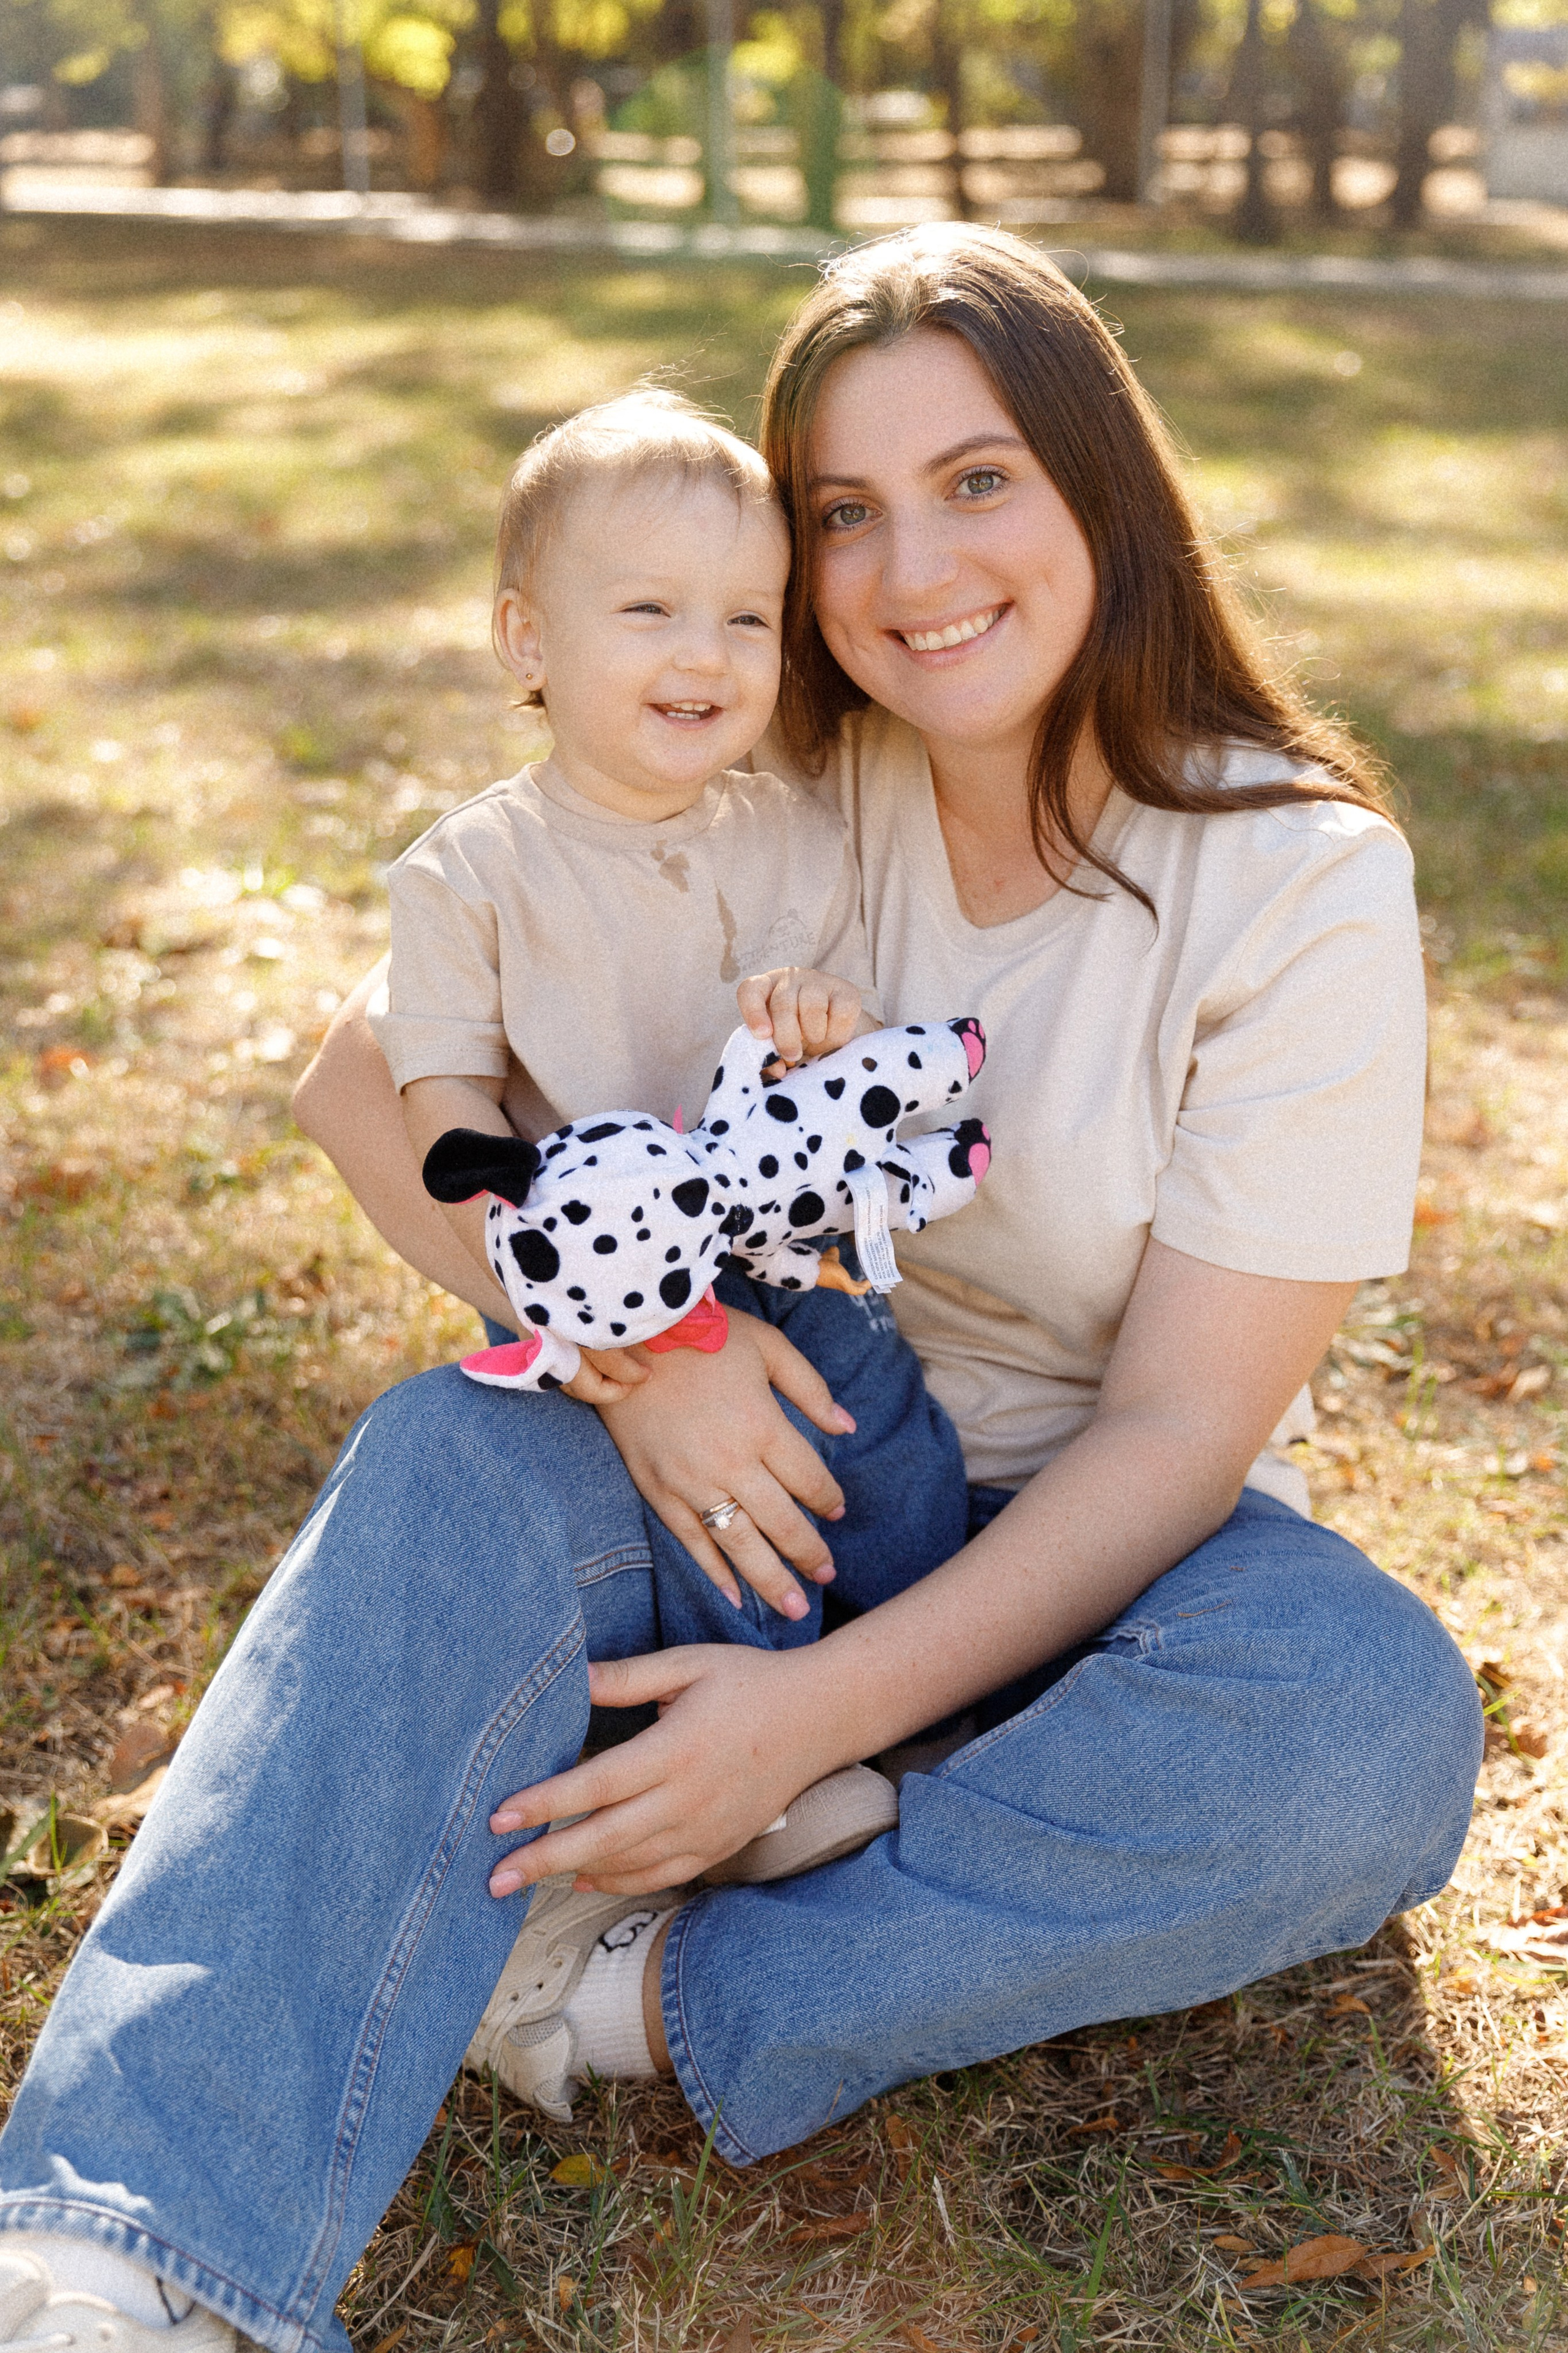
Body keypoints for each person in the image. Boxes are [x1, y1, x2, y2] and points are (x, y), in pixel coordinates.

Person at [0, 227, 1482, 2353]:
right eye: (844, 515)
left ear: (1107, 495)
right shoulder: (758, 776)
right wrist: (645, 1358)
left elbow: (1174, 1436)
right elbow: (360, 1080)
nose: (910, 570)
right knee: (446, 1451)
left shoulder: (1292, 880)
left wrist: (820, 1710)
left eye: (979, 482)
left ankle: (624, 1992)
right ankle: (120, 2248)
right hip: (726, 1482)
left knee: (1364, 1726)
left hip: (1071, 1566)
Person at [368, 382, 976, 1887]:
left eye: (746, 619)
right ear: (527, 638)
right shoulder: (474, 874)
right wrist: (524, 1257)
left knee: (883, 1462)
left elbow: (832, 1029)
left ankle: (934, 1703)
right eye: (648, 609)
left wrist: (825, 1014)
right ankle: (755, 1791)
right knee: (733, 1529)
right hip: (620, 1279)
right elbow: (436, 1086)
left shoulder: (784, 825)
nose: (703, 655)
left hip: (790, 1256)